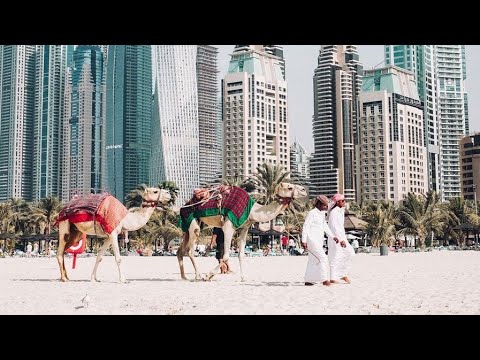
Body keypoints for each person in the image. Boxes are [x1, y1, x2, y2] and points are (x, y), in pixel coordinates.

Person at [301, 195, 339, 286]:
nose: (326, 207)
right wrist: (303, 240)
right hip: (311, 240)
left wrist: (333, 236)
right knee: (323, 258)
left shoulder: (322, 214)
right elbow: (305, 227)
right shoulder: (312, 213)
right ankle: (325, 280)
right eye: (324, 205)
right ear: (319, 204)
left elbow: (325, 226)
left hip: (319, 240)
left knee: (312, 260)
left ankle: (308, 280)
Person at [327, 193, 355, 284]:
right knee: (335, 256)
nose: (344, 202)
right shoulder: (334, 212)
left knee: (350, 253)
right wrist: (340, 239)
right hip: (336, 238)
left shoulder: (340, 210)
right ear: (338, 202)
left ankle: (342, 274)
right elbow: (334, 227)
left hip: (342, 237)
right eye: (343, 200)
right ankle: (333, 277)